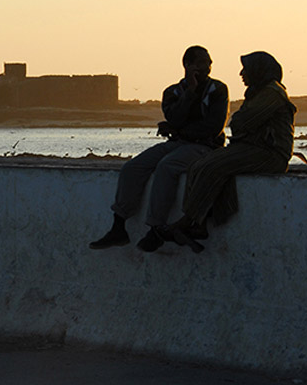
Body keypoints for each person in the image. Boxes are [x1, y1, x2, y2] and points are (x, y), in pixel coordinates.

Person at [89, 45, 229, 252]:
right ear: (188, 65)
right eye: (201, 62)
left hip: (205, 146)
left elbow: (213, 127)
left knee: (168, 166)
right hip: (180, 142)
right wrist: (190, 93)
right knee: (133, 168)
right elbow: (174, 117)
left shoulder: (218, 90)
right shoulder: (173, 92)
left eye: (209, 62)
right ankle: (118, 226)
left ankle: (156, 227)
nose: (208, 66)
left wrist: (179, 130)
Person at [166, 51, 296, 254]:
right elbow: (239, 123)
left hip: (270, 154)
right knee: (199, 165)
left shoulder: (272, 93)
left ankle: (188, 220)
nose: (241, 74)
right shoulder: (259, 92)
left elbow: (242, 122)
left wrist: (240, 122)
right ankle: (198, 223)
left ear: (258, 71)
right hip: (251, 148)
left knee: (213, 166)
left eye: (246, 69)